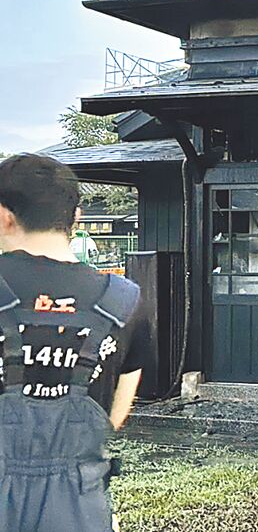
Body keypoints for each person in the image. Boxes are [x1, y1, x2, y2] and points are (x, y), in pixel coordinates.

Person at [0, 154, 150, 532]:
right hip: (79, 509)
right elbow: (115, 417)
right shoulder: (124, 303)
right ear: (77, 218)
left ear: (4, 216)